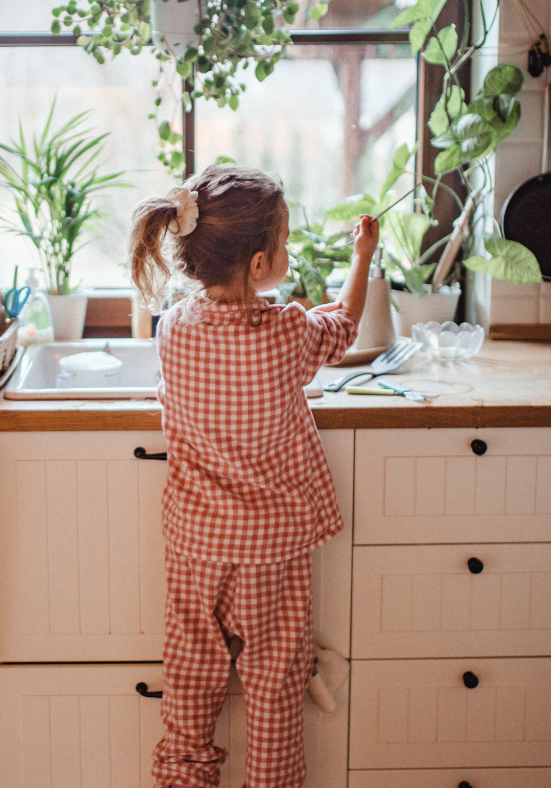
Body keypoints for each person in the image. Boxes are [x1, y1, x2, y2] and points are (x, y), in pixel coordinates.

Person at [129, 164, 378, 788]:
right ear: (262, 264)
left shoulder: (174, 329)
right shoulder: (289, 332)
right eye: (288, 243)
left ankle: (183, 778)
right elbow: (342, 325)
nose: (291, 251)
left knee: (190, 674)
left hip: (197, 543)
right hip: (271, 548)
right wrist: (363, 256)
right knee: (273, 681)